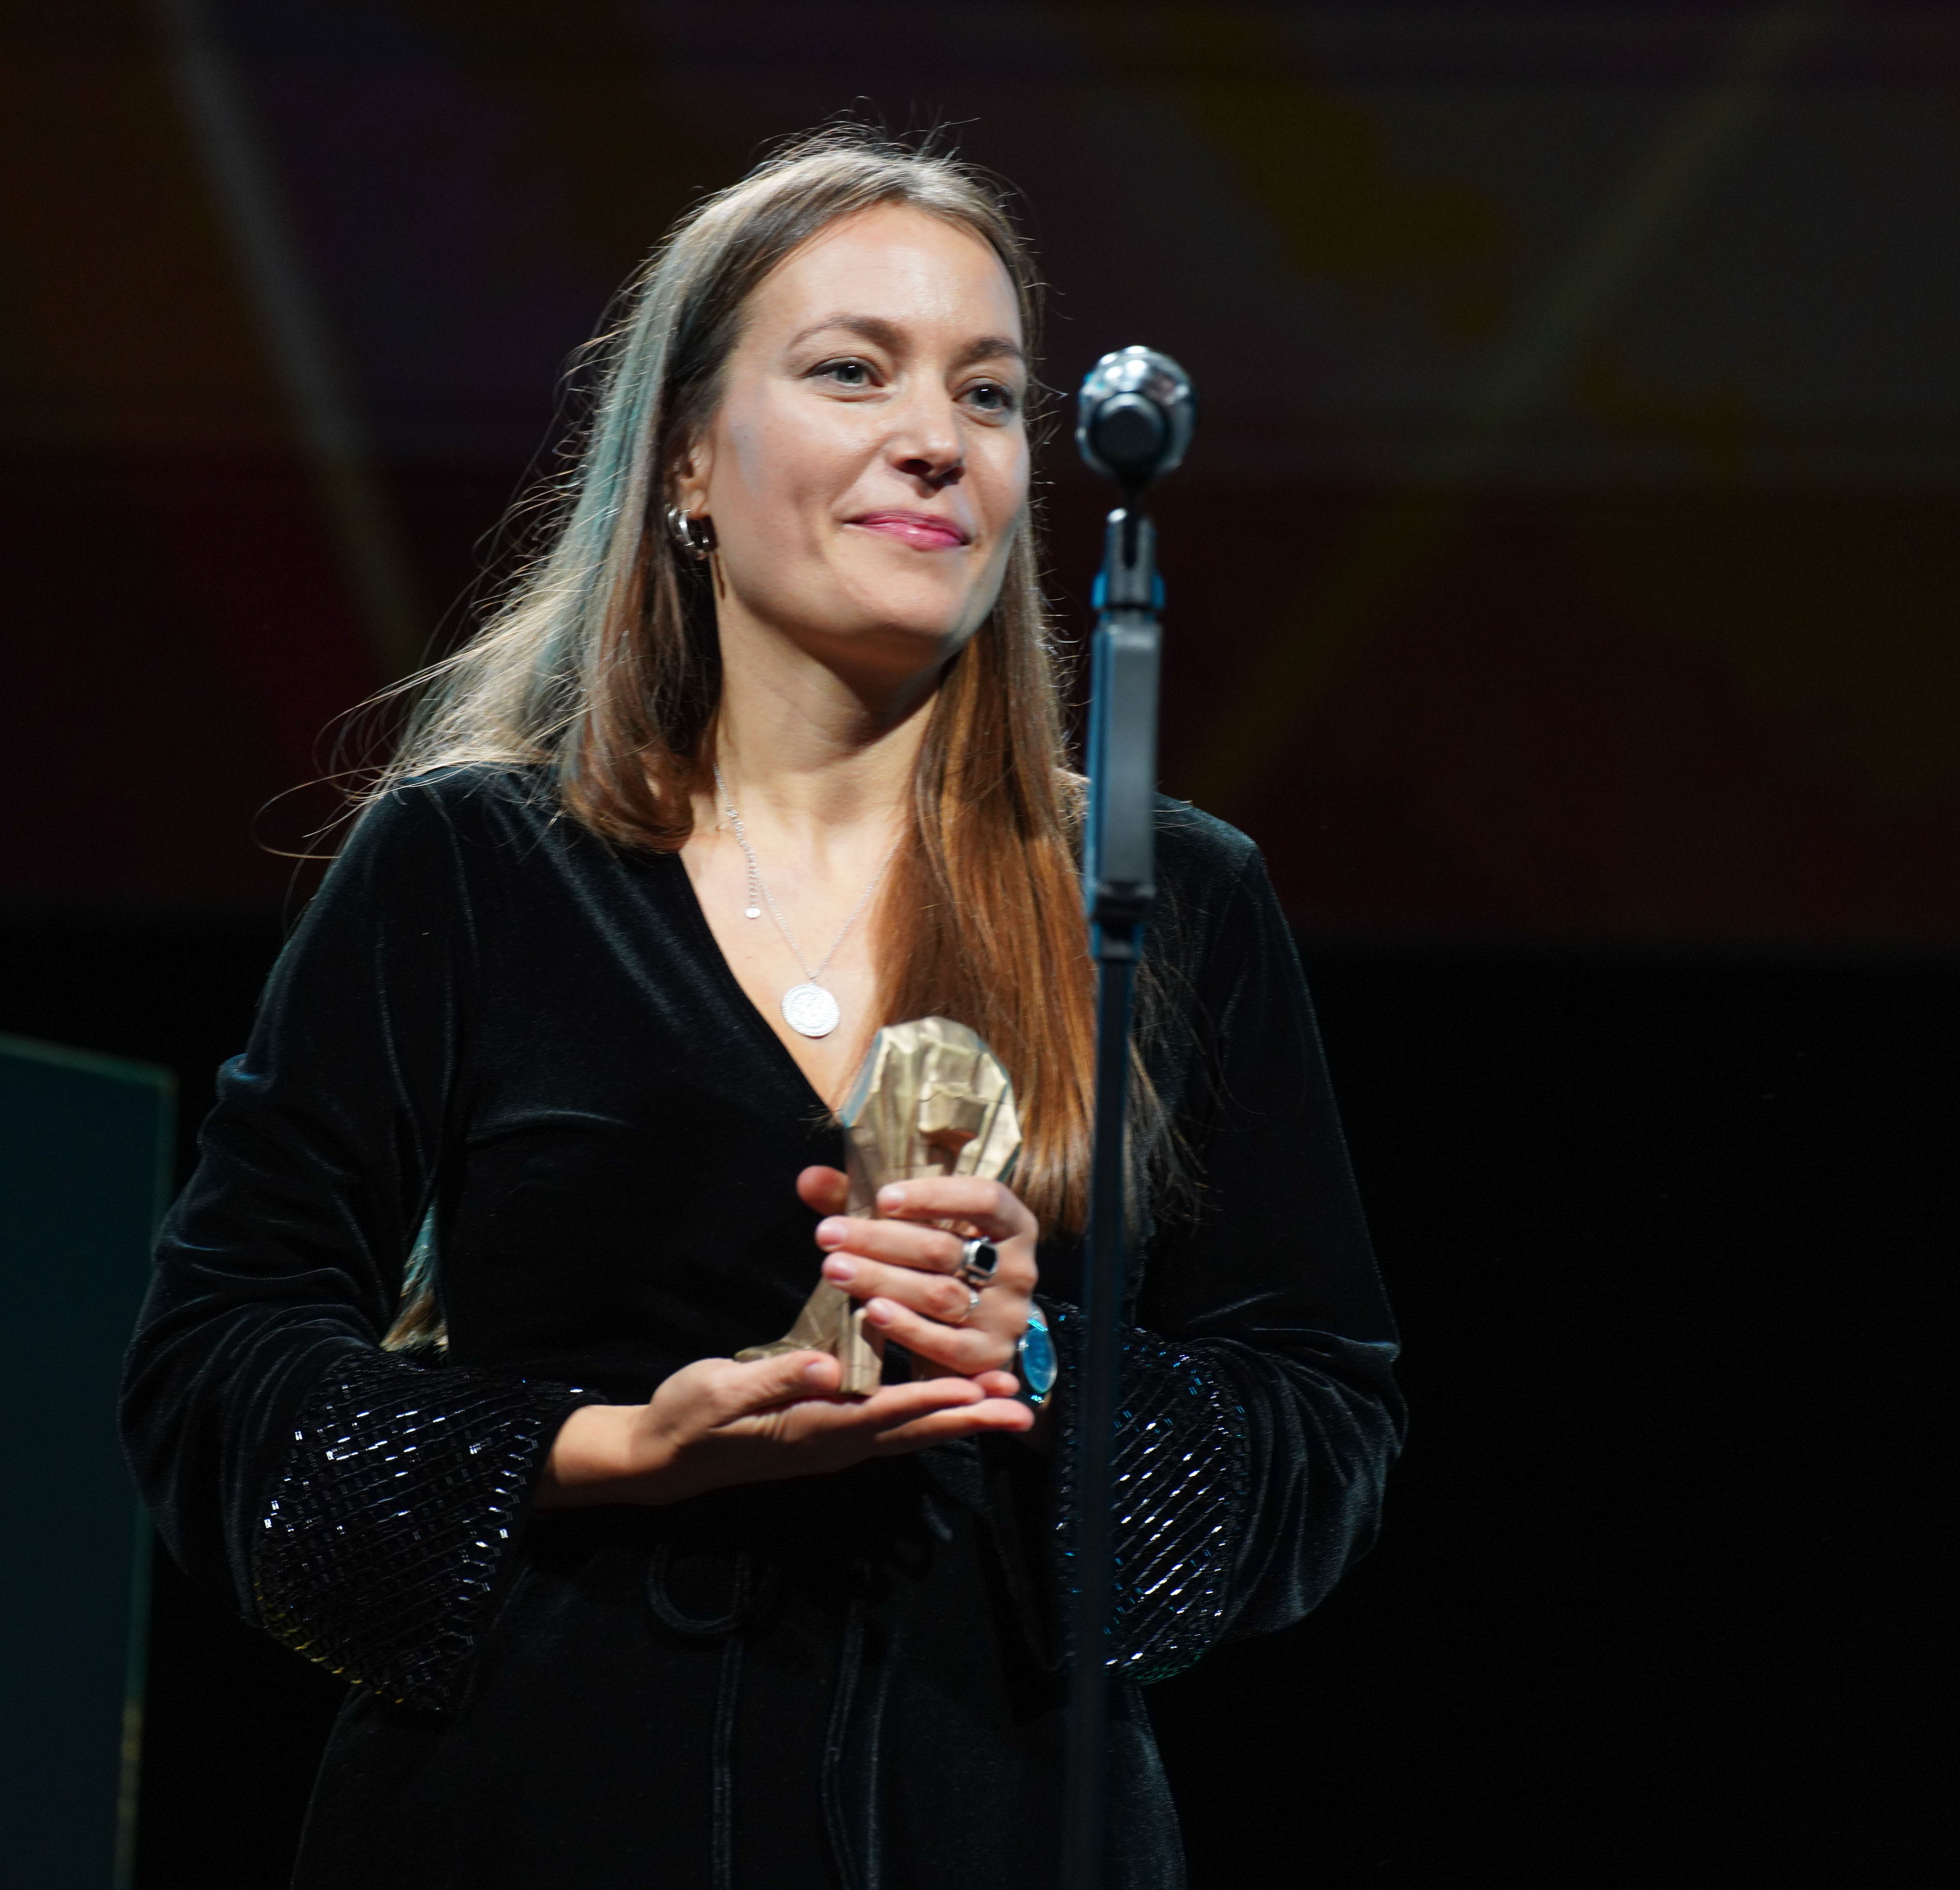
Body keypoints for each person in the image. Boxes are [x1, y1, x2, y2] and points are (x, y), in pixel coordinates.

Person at [121, 128, 1401, 1890]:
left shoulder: (1164, 901)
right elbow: (215, 1382)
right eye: (849, 370)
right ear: (685, 468)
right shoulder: (478, 864)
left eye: (988, 391)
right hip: (539, 1813)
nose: (934, 437)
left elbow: (1320, 1427)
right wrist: (617, 1449)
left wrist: (1034, 1357)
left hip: (997, 1823)